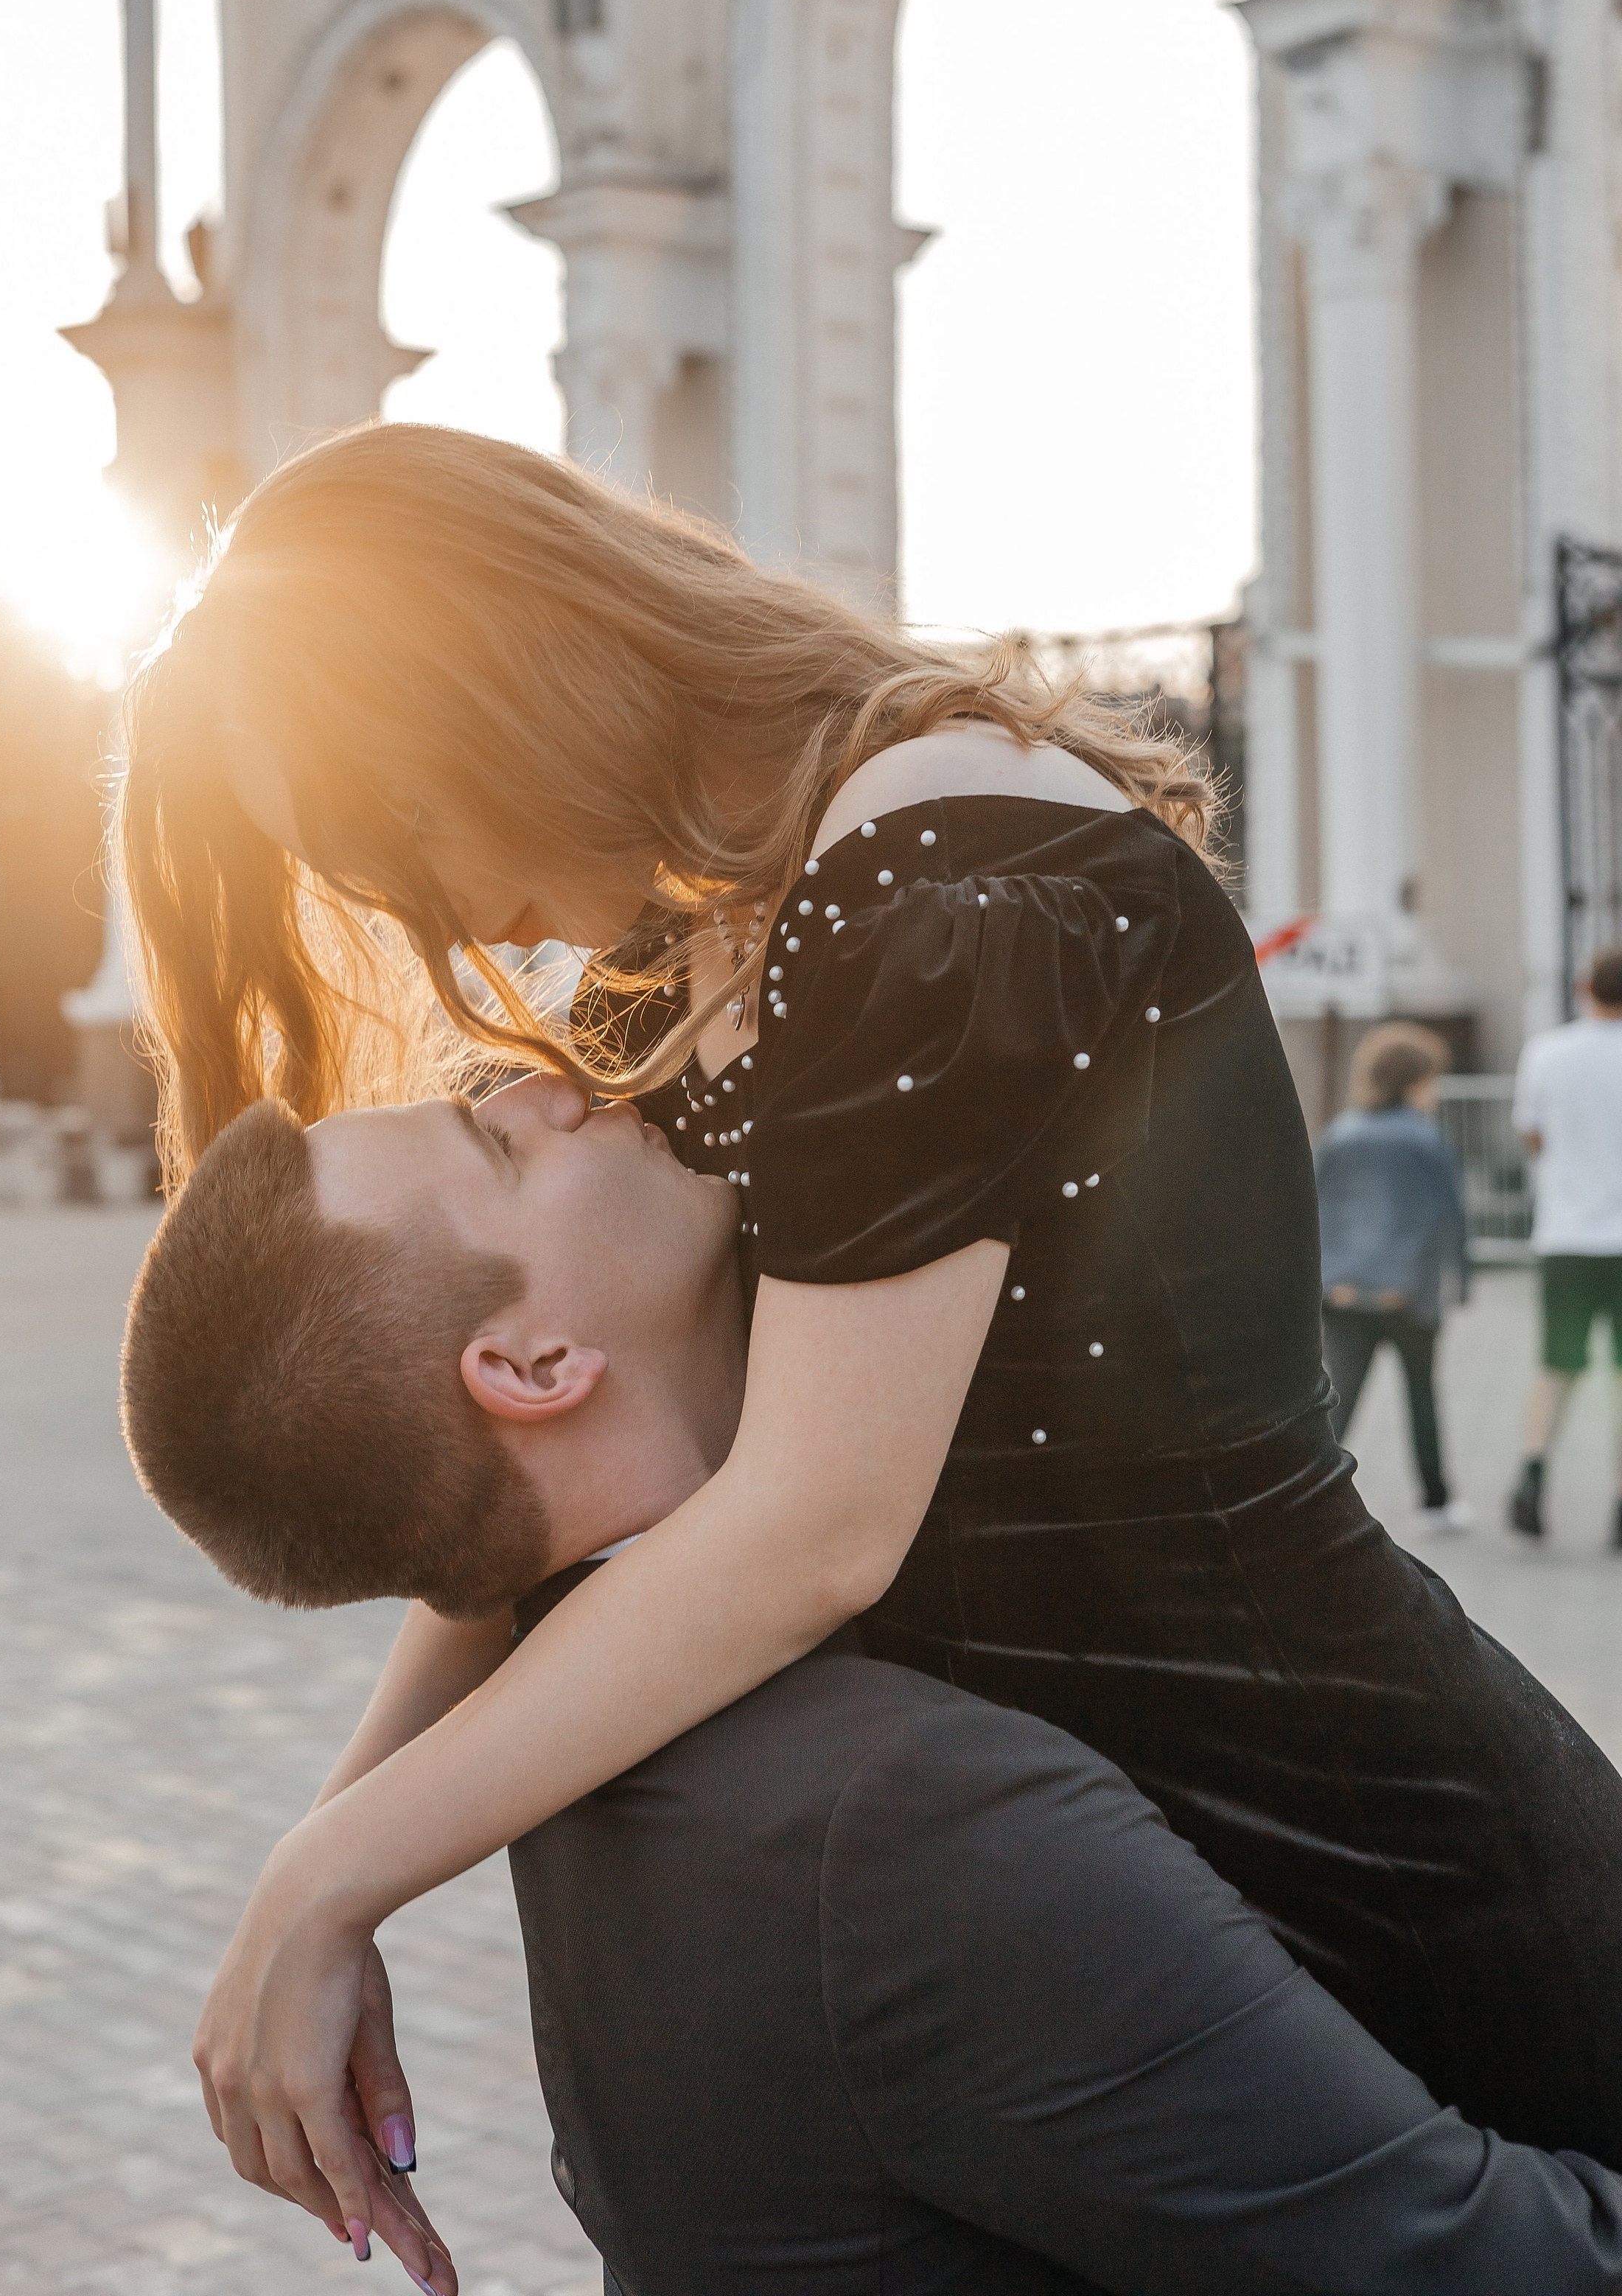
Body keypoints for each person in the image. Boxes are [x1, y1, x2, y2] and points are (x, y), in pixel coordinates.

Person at [118, 422, 1622, 2227]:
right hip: (1107, 1889)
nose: (433, 913)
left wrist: (335, 1870)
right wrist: (324, 1856)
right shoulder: (683, 953)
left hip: (1371, 1844)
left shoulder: (932, 868)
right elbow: (497, 1501)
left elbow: (809, 1530)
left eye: (402, 827)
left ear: (512, 678)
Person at [121, 1085, 1622, 2293]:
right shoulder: (901, 1818)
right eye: (499, 1140)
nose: (557, 1084)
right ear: (530, 1364)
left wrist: (328, 1867)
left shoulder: (586, 1755)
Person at [1315, 1021, 1471, 1532]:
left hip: (1342, 1291)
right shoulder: (1426, 1139)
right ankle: (1436, 1501)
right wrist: (1461, 1282)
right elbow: (1449, 1216)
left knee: (1337, 1402)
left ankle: (1312, 1497)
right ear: (1413, 1082)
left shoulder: (1340, 1134)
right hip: (1408, 1293)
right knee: (1422, 1397)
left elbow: (1317, 1212)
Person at [1509, 946, 1622, 1546]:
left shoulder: (1548, 1053)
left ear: (1584, 987)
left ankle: (1531, 1480)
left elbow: (1532, 1136)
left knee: (1557, 1368)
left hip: (1568, 1235)